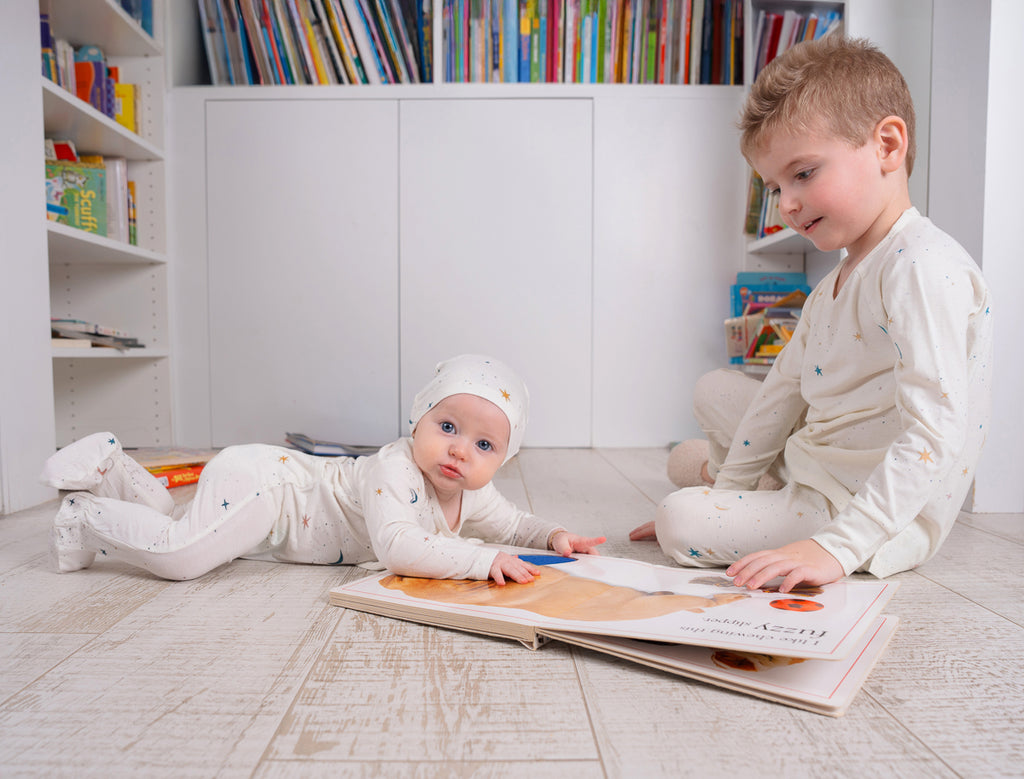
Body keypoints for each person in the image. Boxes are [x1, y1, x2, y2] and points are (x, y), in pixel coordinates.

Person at [631, 36, 993, 593]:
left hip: (856, 504)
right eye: (774, 187)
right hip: (815, 459)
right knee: (714, 390)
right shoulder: (836, 282)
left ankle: (718, 485)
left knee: (679, 518)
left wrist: (837, 547)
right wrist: (729, 495)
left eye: (803, 174)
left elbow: (935, 430)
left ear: (888, 146)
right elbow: (782, 391)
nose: (787, 205)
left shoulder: (921, 266)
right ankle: (723, 481)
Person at [41, 354, 605, 583]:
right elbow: (400, 548)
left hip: (270, 510)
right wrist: (484, 562)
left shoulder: (471, 494)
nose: (459, 451)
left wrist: (555, 537)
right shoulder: (396, 469)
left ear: (502, 461)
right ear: (418, 420)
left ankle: (114, 469)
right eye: (448, 428)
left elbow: (511, 527)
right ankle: (82, 514)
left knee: (181, 525)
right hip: (270, 486)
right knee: (184, 557)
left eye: (483, 445)